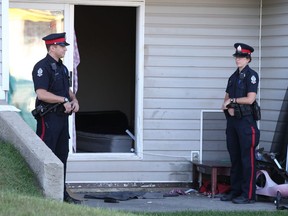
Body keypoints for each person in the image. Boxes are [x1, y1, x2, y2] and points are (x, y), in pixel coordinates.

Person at [32, 32, 80, 203]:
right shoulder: (42, 67)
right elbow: (42, 93)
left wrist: (74, 99)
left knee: (62, 154)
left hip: (62, 119)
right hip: (49, 119)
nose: (65, 50)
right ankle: (42, 193)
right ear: (52, 48)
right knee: (47, 154)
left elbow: (66, 89)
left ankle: (61, 194)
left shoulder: (62, 67)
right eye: (62, 47)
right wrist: (64, 100)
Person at [221, 43, 260, 204]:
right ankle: (236, 191)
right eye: (237, 57)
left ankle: (248, 194)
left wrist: (233, 101)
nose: (238, 59)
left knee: (247, 160)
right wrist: (228, 105)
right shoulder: (233, 77)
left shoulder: (251, 75)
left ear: (248, 59)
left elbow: (250, 99)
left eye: (242, 57)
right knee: (235, 158)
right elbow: (225, 100)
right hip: (233, 122)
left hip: (246, 123)